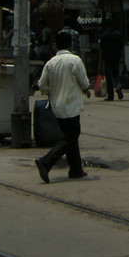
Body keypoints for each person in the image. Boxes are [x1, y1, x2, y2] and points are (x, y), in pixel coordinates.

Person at [35, 30, 91, 182]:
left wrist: (50, 92)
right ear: (70, 44)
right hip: (71, 106)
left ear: (55, 45)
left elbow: (42, 85)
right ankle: (46, 162)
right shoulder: (75, 60)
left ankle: (76, 169)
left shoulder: (51, 63)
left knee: (70, 136)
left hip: (57, 106)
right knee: (71, 138)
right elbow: (84, 81)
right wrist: (86, 89)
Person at [98, 19, 125, 101]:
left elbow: (101, 50)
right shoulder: (118, 35)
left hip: (107, 58)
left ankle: (111, 95)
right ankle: (118, 86)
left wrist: (99, 64)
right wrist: (123, 60)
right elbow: (122, 49)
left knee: (108, 77)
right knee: (116, 73)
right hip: (116, 57)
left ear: (106, 26)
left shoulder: (103, 36)